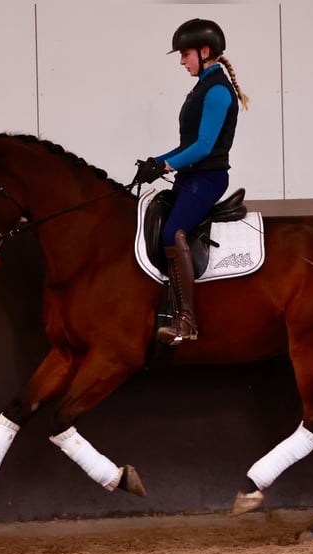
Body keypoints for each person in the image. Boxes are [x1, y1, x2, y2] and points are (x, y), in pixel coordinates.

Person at [133, 18, 250, 346]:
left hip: (208, 178)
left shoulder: (216, 91)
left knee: (173, 232)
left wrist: (166, 165)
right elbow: (188, 146)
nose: (182, 61)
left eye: (185, 54)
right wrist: (157, 163)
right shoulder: (204, 86)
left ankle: (187, 320)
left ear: (205, 51)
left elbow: (203, 146)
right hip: (191, 175)